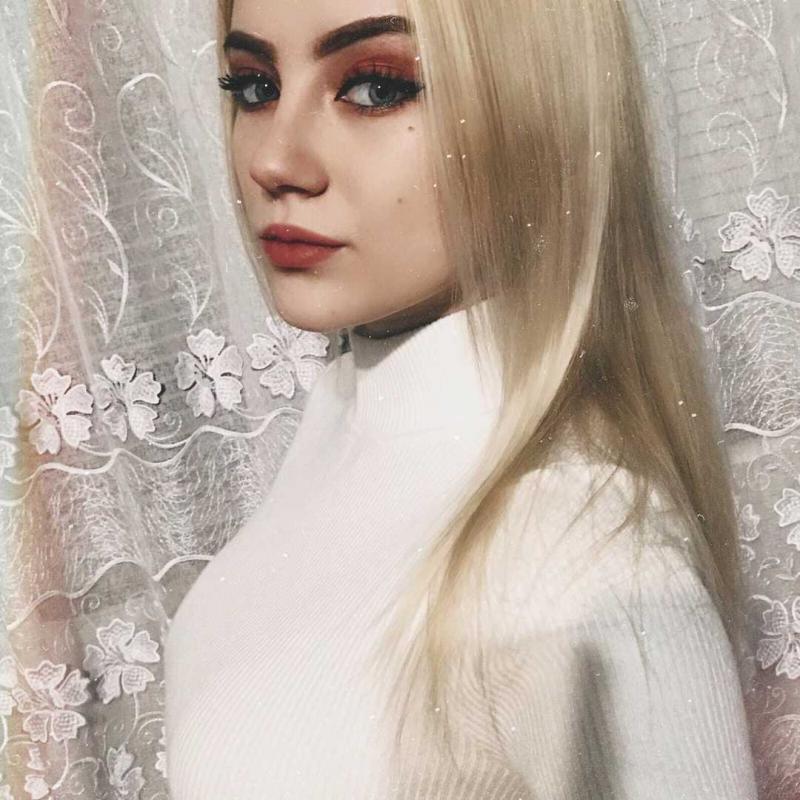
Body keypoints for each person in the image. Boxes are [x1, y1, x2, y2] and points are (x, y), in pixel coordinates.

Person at [163, 0, 759, 797]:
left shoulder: (577, 557)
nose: (274, 160)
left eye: (376, 88)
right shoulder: (345, 446)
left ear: (537, 105)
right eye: (255, 86)